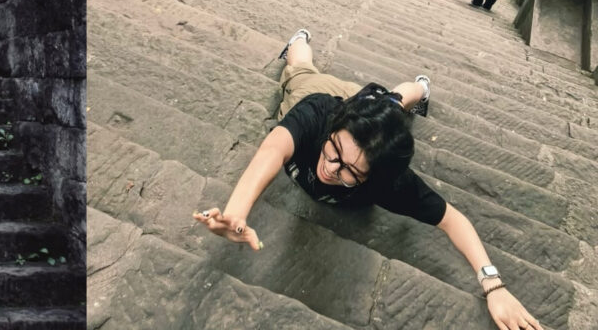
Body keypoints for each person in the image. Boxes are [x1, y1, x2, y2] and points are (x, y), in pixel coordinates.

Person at [193, 30, 543, 330]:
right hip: (333, 99)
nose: (331, 169)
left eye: (349, 173)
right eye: (333, 153)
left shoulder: (389, 182)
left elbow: (453, 220)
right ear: (331, 133)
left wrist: (494, 286)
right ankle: (299, 38)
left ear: (372, 177)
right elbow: (271, 151)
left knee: (397, 101)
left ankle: (421, 88)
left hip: (369, 124)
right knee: (300, 69)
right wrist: (236, 212)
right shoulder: (315, 115)